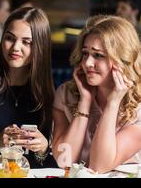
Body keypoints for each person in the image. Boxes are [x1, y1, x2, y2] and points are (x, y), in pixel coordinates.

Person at [0, 7, 56, 168]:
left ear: (40, 48)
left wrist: (43, 149)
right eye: (10, 38)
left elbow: (49, 166)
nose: (15, 48)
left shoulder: (46, 92)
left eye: (26, 42)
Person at [52, 15, 141, 173]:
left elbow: (99, 166)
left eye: (98, 55)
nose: (87, 63)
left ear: (122, 59)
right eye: (85, 53)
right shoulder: (67, 94)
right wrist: (85, 102)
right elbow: (63, 160)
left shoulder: (138, 106)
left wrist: (113, 103)